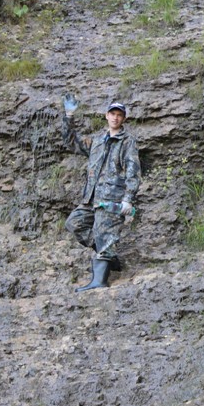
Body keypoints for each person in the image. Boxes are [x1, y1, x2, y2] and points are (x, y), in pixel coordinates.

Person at [61, 96, 141, 292]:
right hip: (91, 199)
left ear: (123, 119)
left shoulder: (127, 142)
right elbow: (71, 142)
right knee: (74, 223)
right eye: (112, 114)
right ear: (106, 116)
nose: (115, 118)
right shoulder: (97, 140)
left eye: (119, 115)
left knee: (105, 234)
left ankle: (100, 281)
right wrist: (68, 116)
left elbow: (133, 171)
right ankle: (109, 253)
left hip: (112, 199)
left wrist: (128, 200)